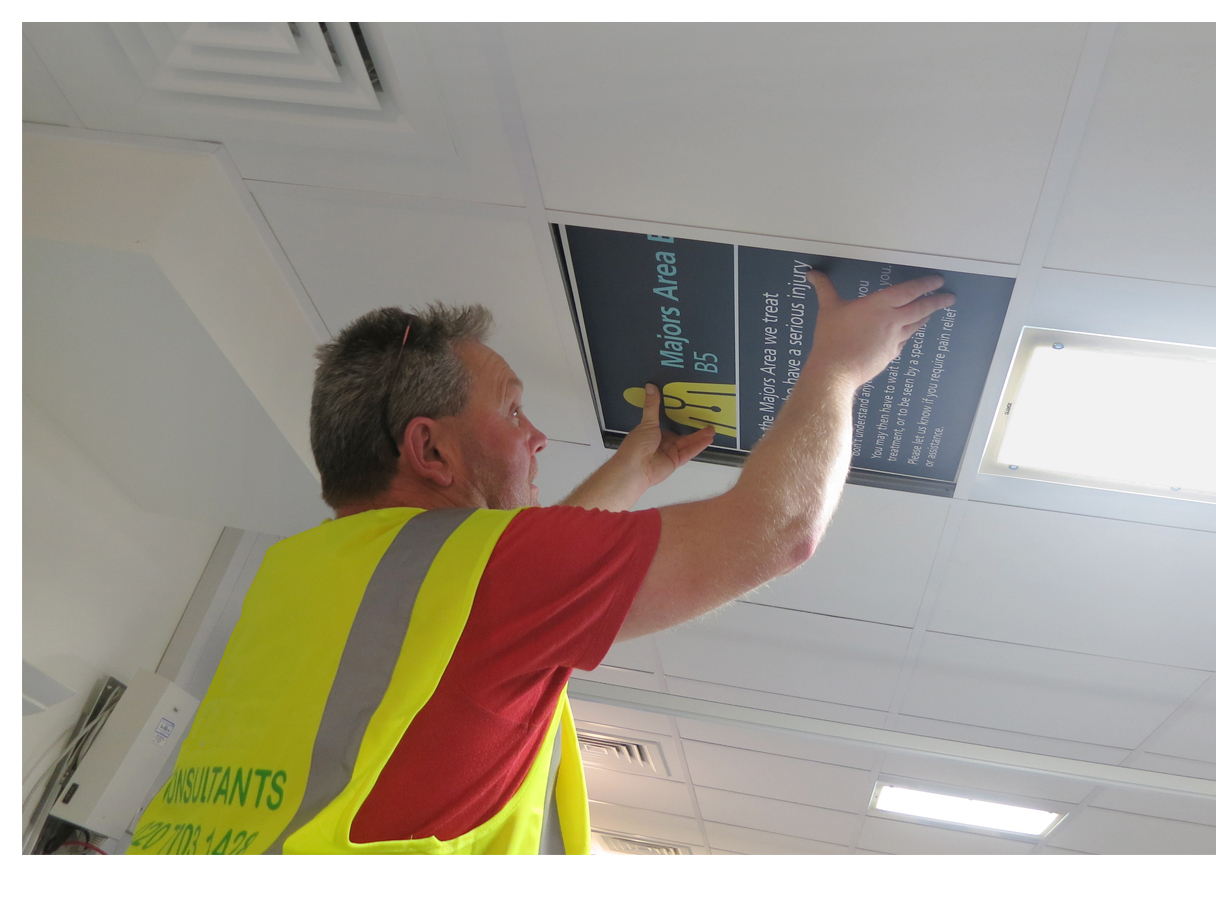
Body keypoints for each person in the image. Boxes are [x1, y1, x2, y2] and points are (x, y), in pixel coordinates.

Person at [128, 271, 954, 855]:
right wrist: (839, 368)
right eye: (514, 409)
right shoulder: (468, 574)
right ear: (431, 451)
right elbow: (776, 534)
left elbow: (496, 589)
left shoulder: (305, 574)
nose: (536, 435)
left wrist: (641, 467)